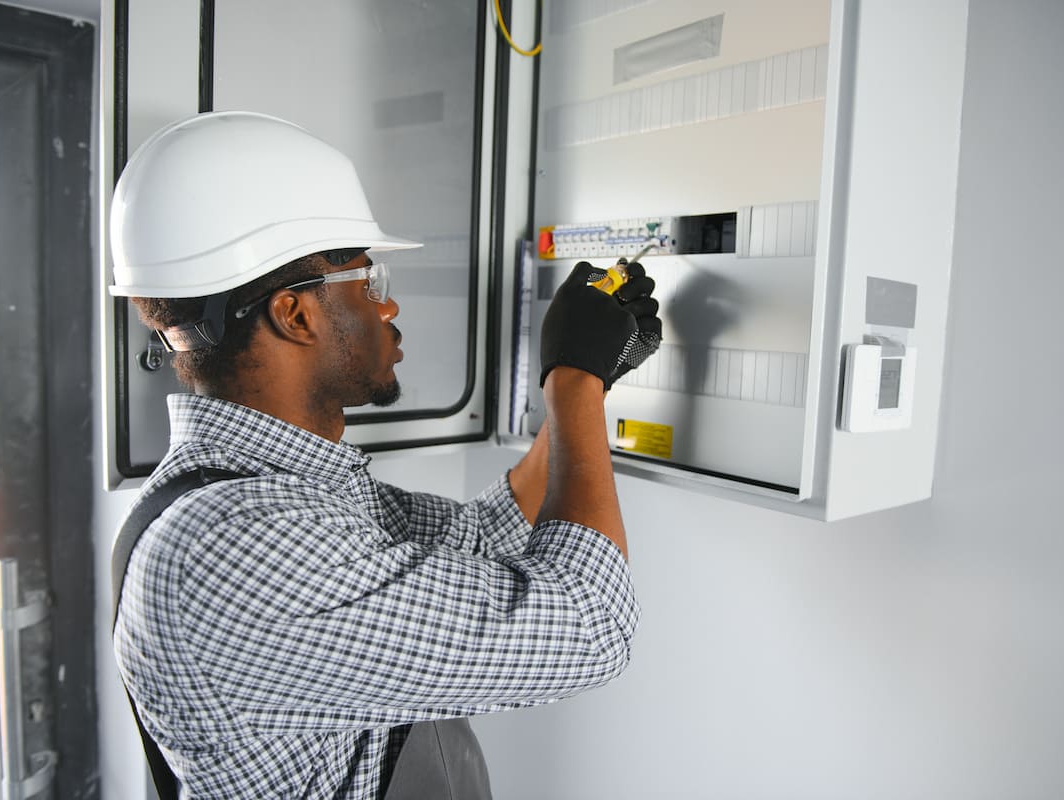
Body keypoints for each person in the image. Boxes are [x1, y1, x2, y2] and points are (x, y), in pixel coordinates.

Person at [109, 111, 662, 799]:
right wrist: (573, 382)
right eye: (368, 283)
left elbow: (480, 537)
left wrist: (587, 376)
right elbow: (589, 626)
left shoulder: (270, 490)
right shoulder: (235, 542)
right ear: (295, 314)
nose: (389, 306)